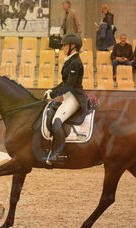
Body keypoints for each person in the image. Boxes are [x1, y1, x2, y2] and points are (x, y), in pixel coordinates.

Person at [43, 34, 87, 165]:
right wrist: (52, 90)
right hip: (67, 97)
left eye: (65, 45)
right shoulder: (70, 60)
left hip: (74, 98)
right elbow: (64, 82)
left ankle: (58, 153)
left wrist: (53, 95)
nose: (62, 47)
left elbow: (69, 85)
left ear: (72, 46)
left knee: (57, 121)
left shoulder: (75, 62)